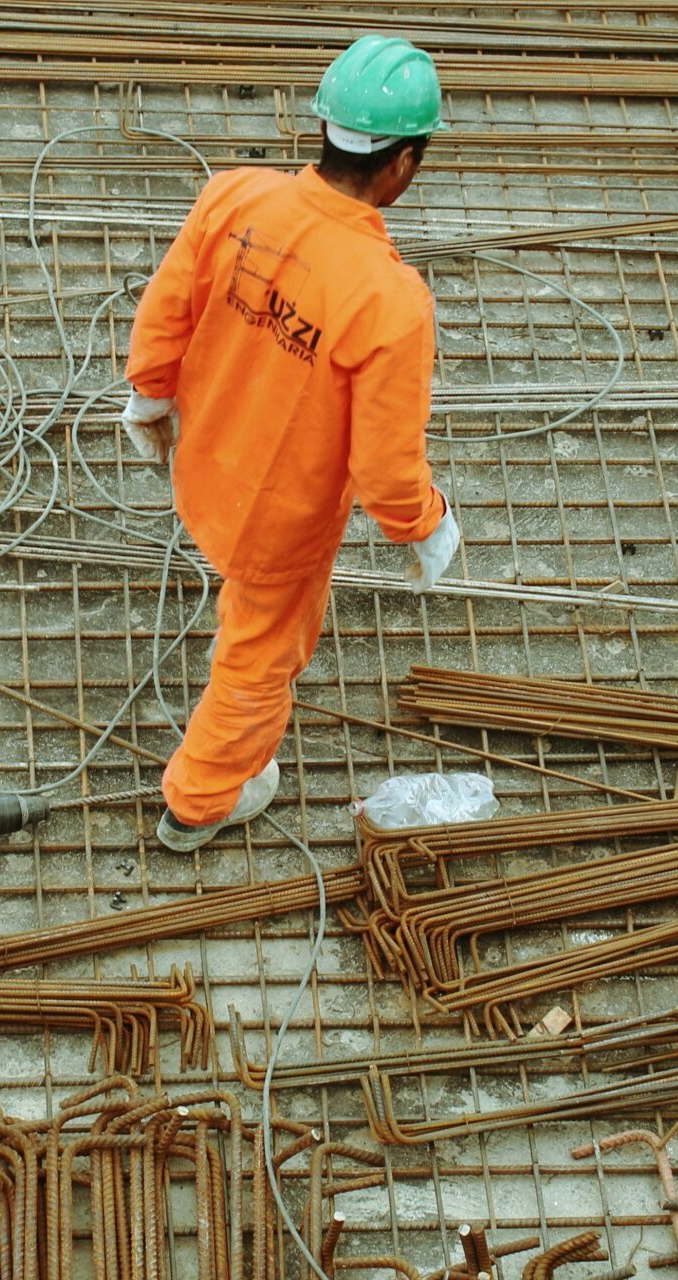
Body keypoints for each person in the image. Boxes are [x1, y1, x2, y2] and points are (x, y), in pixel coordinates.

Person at [117, 34, 461, 853]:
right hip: (279, 519)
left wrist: (148, 395)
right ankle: (198, 802)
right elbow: (384, 468)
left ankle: (212, 776)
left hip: (204, 464)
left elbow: (166, 311)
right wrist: (427, 524)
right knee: (258, 661)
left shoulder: (234, 198)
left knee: (246, 617)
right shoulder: (391, 301)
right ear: (403, 164)